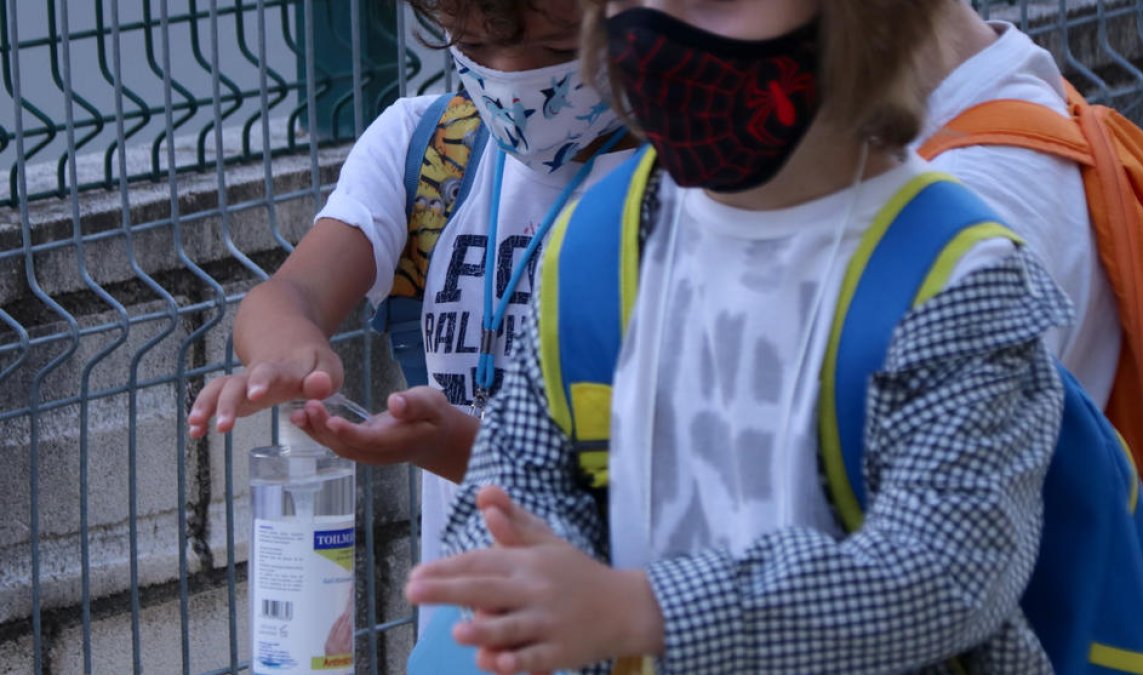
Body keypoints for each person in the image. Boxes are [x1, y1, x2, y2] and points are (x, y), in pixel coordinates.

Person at [404, 0, 1081, 673]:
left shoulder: (955, 276)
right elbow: (511, 484)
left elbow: (945, 572)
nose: (653, 28)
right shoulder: (594, 247)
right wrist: (527, 585)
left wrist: (646, 610)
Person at [185, 0, 634, 627]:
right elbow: (290, 294)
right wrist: (287, 346)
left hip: (614, 615)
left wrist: (459, 448)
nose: (509, 77)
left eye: (556, 52)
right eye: (473, 49)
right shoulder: (426, 147)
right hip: (460, 628)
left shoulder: (683, 186)